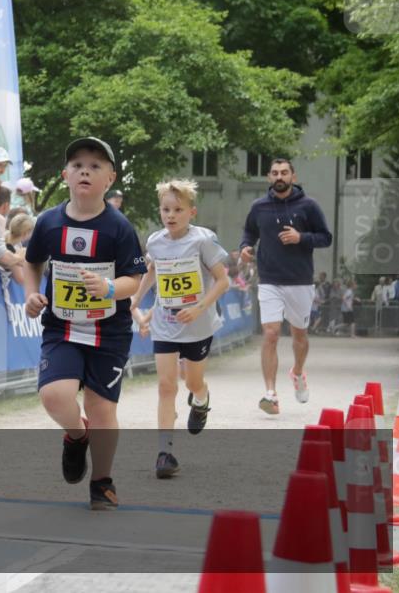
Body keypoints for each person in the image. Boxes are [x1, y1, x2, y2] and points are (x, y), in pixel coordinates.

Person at [24, 137, 146, 510]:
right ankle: (76, 436)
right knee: (53, 395)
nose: (85, 171)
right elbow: (32, 262)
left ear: (109, 178)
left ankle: (102, 482)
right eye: (77, 165)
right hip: (62, 327)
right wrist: (31, 294)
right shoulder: (48, 222)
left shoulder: (119, 228)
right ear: (65, 175)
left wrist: (109, 288)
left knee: (101, 407)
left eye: (95, 166)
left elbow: (135, 281)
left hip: (108, 332)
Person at [130, 179, 230, 479]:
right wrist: (135, 304)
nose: (170, 215)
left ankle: (201, 400)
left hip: (197, 325)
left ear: (192, 212)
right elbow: (149, 272)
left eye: (177, 209)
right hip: (165, 323)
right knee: (166, 386)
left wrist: (199, 307)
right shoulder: (155, 241)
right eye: (165, 209)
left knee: (192, 383)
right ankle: (165, 452)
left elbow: (223, 280)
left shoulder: (203, 241)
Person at [240, 158, 332, 415]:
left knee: (299, 336)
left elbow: (326, 238)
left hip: (300, 281)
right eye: (275, 173)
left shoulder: (309, 206)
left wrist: (300, 237)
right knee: (270, 333)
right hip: (269, 280)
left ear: (293, 175)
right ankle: (270, 393)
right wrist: (245, 248)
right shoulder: (259, 207)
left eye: (284, 172)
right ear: (269, 177)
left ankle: (298, 372)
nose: (279, 176)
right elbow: (248, 233)